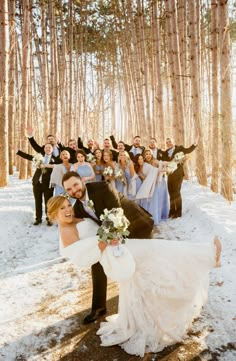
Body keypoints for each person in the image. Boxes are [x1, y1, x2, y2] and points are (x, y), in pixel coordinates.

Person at [47, 195, 221, 357]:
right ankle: (208, 254)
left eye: (68, 205)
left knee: (153, 260)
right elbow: (85, 258)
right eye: (62, 208)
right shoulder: (66, 231)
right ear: (54, 212)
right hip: (115, 254)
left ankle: (208, 255)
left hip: (119, 247)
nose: (68, 209)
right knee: (158, 252)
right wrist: (105, 240)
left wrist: (112, 230)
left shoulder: (74, 218)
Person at [61, 171, 154, 324]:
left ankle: (147, 300)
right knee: (96, 259)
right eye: (69, 189)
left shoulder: (102, 187)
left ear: (82, 181)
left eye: (75, 185)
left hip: (137, 225)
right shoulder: (77, 207)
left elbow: (117, 213)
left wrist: (110, 238)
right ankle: (99, 307)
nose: (73, 191)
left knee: (141, 265)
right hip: (111, 233)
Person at [16, 144, 56, 225]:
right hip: (37, 183)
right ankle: (38, 219)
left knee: (48, 202)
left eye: (49, 148)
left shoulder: (56, 159)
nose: (48, 149)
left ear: (52, 149)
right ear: (44, 149)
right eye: (46, 147)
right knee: (38, 202)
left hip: (48, 184)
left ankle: (49, 218)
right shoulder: (39, 156)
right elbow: (29, 157)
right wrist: (18, 152)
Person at [162, 136, 198, 218]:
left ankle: (178, 212)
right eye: (167, 142)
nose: (168, 143)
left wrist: (194, 144)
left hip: (178, 174)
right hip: (170, 174)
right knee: (171, 193)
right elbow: (163, 162)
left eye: (170, 141)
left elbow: (188, 150)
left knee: (176, 193)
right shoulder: (165, 152)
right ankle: (172, 211)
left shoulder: (179, 148)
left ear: (174, 142)